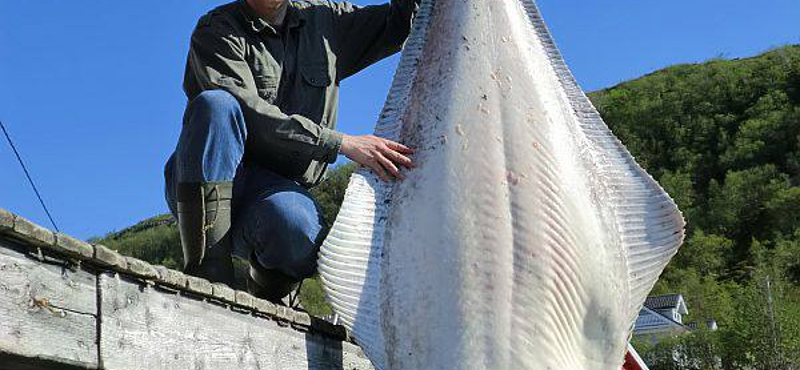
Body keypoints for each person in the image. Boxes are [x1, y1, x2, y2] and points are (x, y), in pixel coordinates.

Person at [164, 0, 418, 304]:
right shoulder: (217, 30)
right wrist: (340, 143)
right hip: (218, 176)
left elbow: (400, 23)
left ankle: (268, 292)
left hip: (278, 191)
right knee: (216, 105)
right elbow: (251, 116)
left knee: (298, 228)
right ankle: (209, 279)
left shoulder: (325, 19)